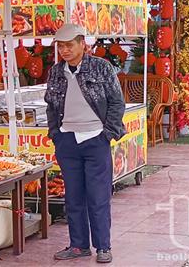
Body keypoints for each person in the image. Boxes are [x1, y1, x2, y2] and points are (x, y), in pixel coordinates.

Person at [45, 24, 126, 263]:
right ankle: (78, 245)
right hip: (67, 140)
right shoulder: (56, 72)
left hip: (95, 139)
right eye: (61, 46)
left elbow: (116, 103)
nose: (65, 51)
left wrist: (107, 133)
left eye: (69, 45)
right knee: (73, 196)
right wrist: (55, 134)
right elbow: (51, 104)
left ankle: (103, 246)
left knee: (98, 196)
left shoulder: (101, 68)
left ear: (83, 44)